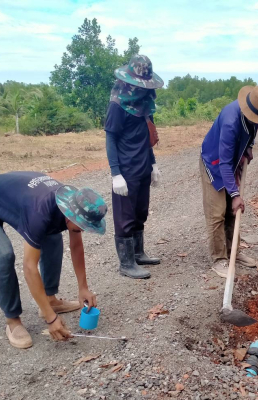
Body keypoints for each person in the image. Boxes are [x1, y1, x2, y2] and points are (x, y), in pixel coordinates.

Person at [0, 172, 108, 349]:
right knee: (2, 255)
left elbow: (76, 246)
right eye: (82, 226)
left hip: (15, 198)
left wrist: (83, 287)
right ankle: (12, 320)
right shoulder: (40, 211)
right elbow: (30, 267)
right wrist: (50, 318)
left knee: (52, 237)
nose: (83, 231)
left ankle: (50, 299)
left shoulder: (75, 202)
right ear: (70, 216)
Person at [200, 85, 258, 278]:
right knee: (218, 211)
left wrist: (248, 148)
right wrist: (234, 194)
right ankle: (219, 259)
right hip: (215, 162)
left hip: (232, 160)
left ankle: (234, 252)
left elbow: (251, 134)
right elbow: (224, 163)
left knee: (233, 212)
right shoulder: (230, 121)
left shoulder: (255, 113)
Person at [106, 54, 164, 280]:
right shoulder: (117, 105)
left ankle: (138, 253)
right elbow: (110, 138)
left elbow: (145, 136)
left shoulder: (144, 103)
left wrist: (154, 164)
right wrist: (115, 174)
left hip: (143, 165)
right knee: (125, 217)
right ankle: (126, 263)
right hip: (126, 169)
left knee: (141, 212)